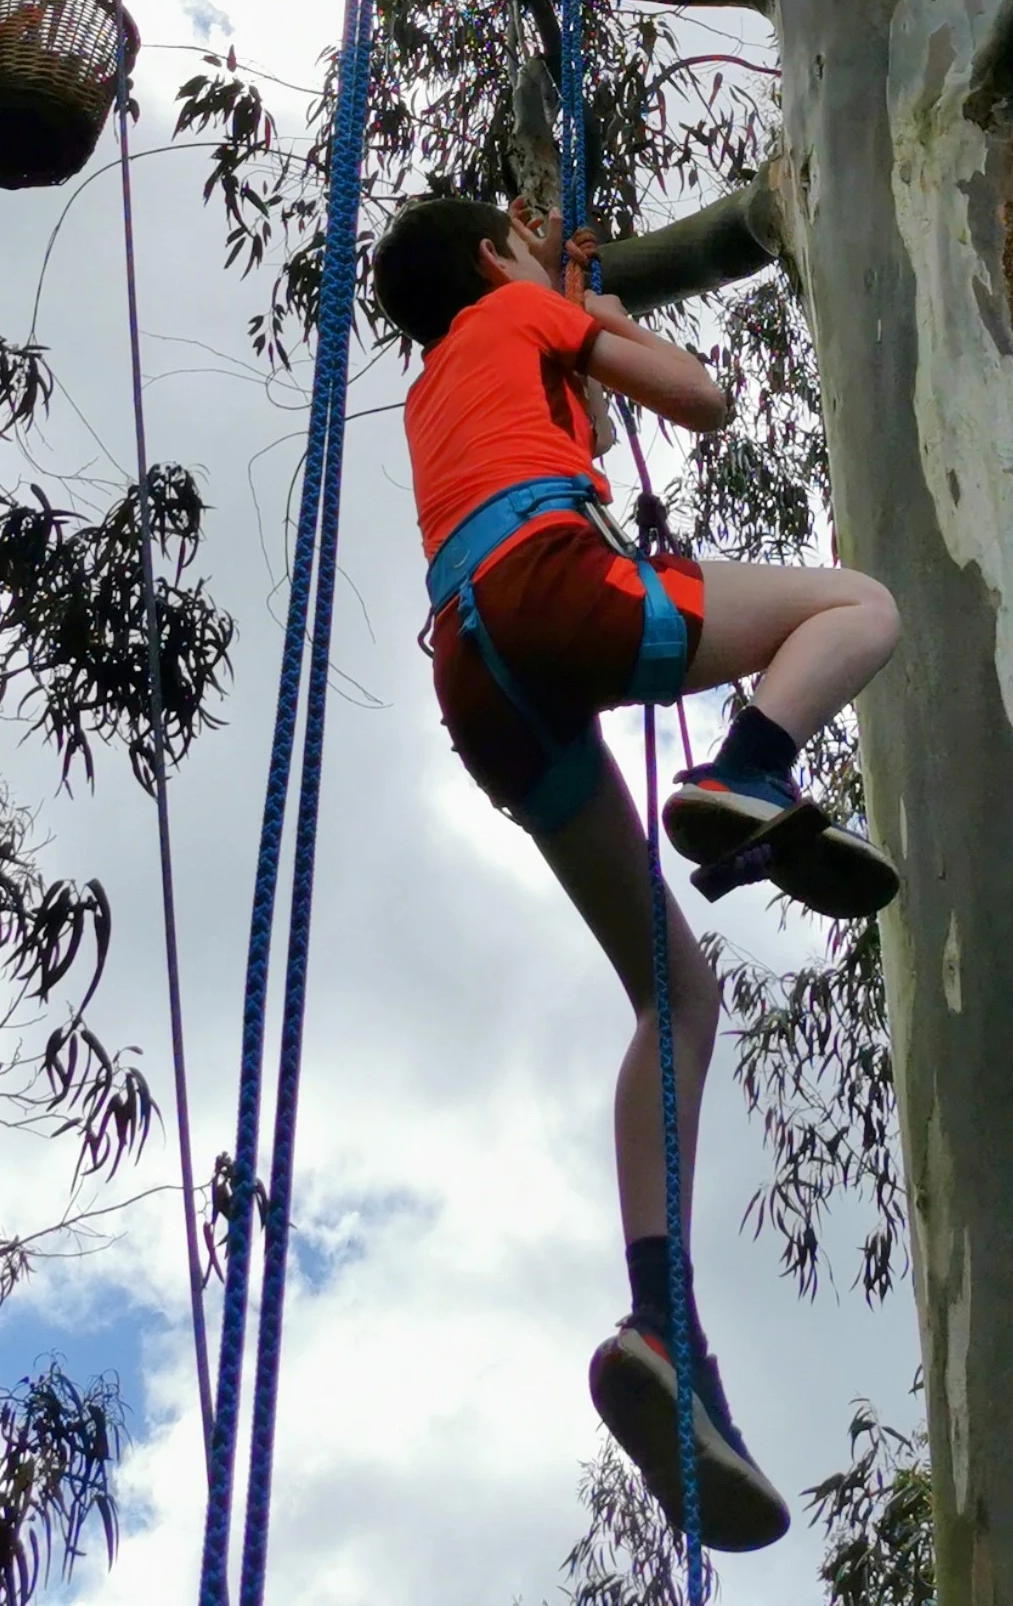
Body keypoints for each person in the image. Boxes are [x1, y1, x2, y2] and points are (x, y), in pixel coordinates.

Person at [372, 187, 902, 1552]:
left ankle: (661, 1321)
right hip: (556, 593)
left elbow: (580, 428)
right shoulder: (519, 307)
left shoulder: (441, 383)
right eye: (520, 246)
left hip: (476, 676)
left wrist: (574, 309)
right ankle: (751, 766)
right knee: (859, 606)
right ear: (493, 264)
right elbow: (703, 399)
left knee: (678, 995)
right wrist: (593, 305)